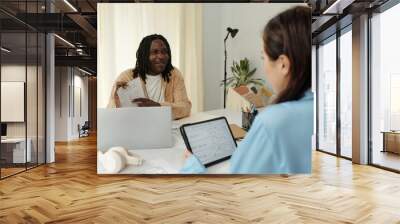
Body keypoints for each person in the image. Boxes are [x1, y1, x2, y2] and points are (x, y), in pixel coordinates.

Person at [181, 6, 313, 174]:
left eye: (263, 58)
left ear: (283, 64)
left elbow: (236, 192)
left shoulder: (274, 122)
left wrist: (194, 169)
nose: (264, 68)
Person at [107, 34, 191, 120]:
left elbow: (185, 108)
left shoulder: (173, 74)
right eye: (155, 52)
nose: (161, 56)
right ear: (144, 56)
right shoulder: (127, 77)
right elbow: (110, 113)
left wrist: (158, 107)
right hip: (136, 128)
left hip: (166, 128)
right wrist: (117, 102)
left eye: (164, 52)